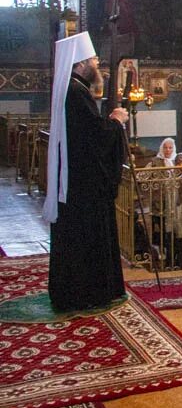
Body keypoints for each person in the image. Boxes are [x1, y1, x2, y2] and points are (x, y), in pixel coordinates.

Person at [44, 32, 129, 312]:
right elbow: (94, 137)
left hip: (75, 180)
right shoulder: (76, 93)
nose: (97, 64)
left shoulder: (72, 90)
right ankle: (87, 292)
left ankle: (73, 291)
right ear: (81, 64)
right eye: (93, 59)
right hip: (84, 186)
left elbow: (85, 134)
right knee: (85, 237)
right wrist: (115, 122)